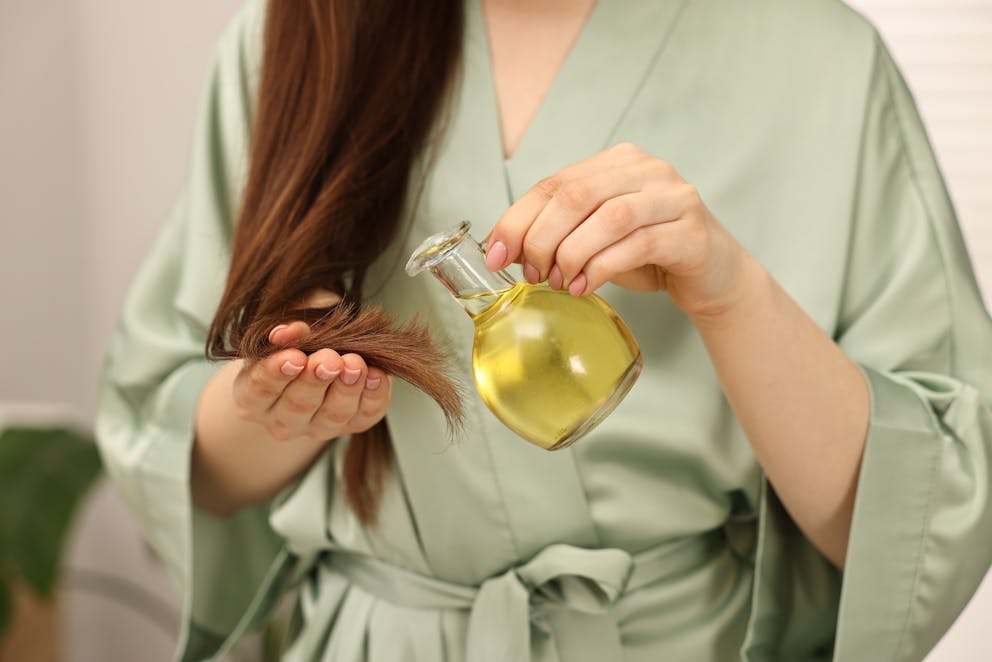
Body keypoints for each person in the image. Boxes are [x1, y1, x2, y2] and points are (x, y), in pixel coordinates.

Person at [95, 0, 992, 660]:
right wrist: (280, 409)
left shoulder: (822, 58)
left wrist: (729, 290)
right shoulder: (295, 38)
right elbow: (175, 449)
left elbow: (916, 514)